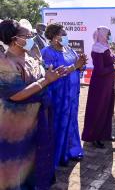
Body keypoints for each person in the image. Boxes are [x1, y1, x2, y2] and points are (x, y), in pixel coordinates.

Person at [0, 20, 66, 189]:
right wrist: (46, 81)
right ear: (14, 39)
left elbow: (44, 73)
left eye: (31, 35)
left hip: (36, 120)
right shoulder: (5, 62)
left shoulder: (30, 56)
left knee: (34, 160)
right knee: (16, 163)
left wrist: (53, 74)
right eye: (26, 36)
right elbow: (16, 94)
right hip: (16, 126)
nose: (31, 38)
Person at [41, 23, 88, 167]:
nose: (66, 36)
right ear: (55, 37)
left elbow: (80, 67)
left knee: (71, 121)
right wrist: (75, 66)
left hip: (72, 94)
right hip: (58, 94)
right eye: (63, 34)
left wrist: (82, 63)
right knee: (58, 122)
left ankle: (71, 151)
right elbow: (53, 73)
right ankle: (58, 155)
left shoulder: (69, 50)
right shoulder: (47, 52)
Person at [82, 26, 115, 148]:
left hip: (108, 83)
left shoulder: (106, 47)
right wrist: (114, 66)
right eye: (108, 34)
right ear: (102, 35)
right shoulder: (97, 49)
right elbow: (100, 70)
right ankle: (95, 136)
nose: (109, 36)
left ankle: (105, 134)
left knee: (108, 108)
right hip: (100, 84)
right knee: (98, 109)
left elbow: (110, 64)